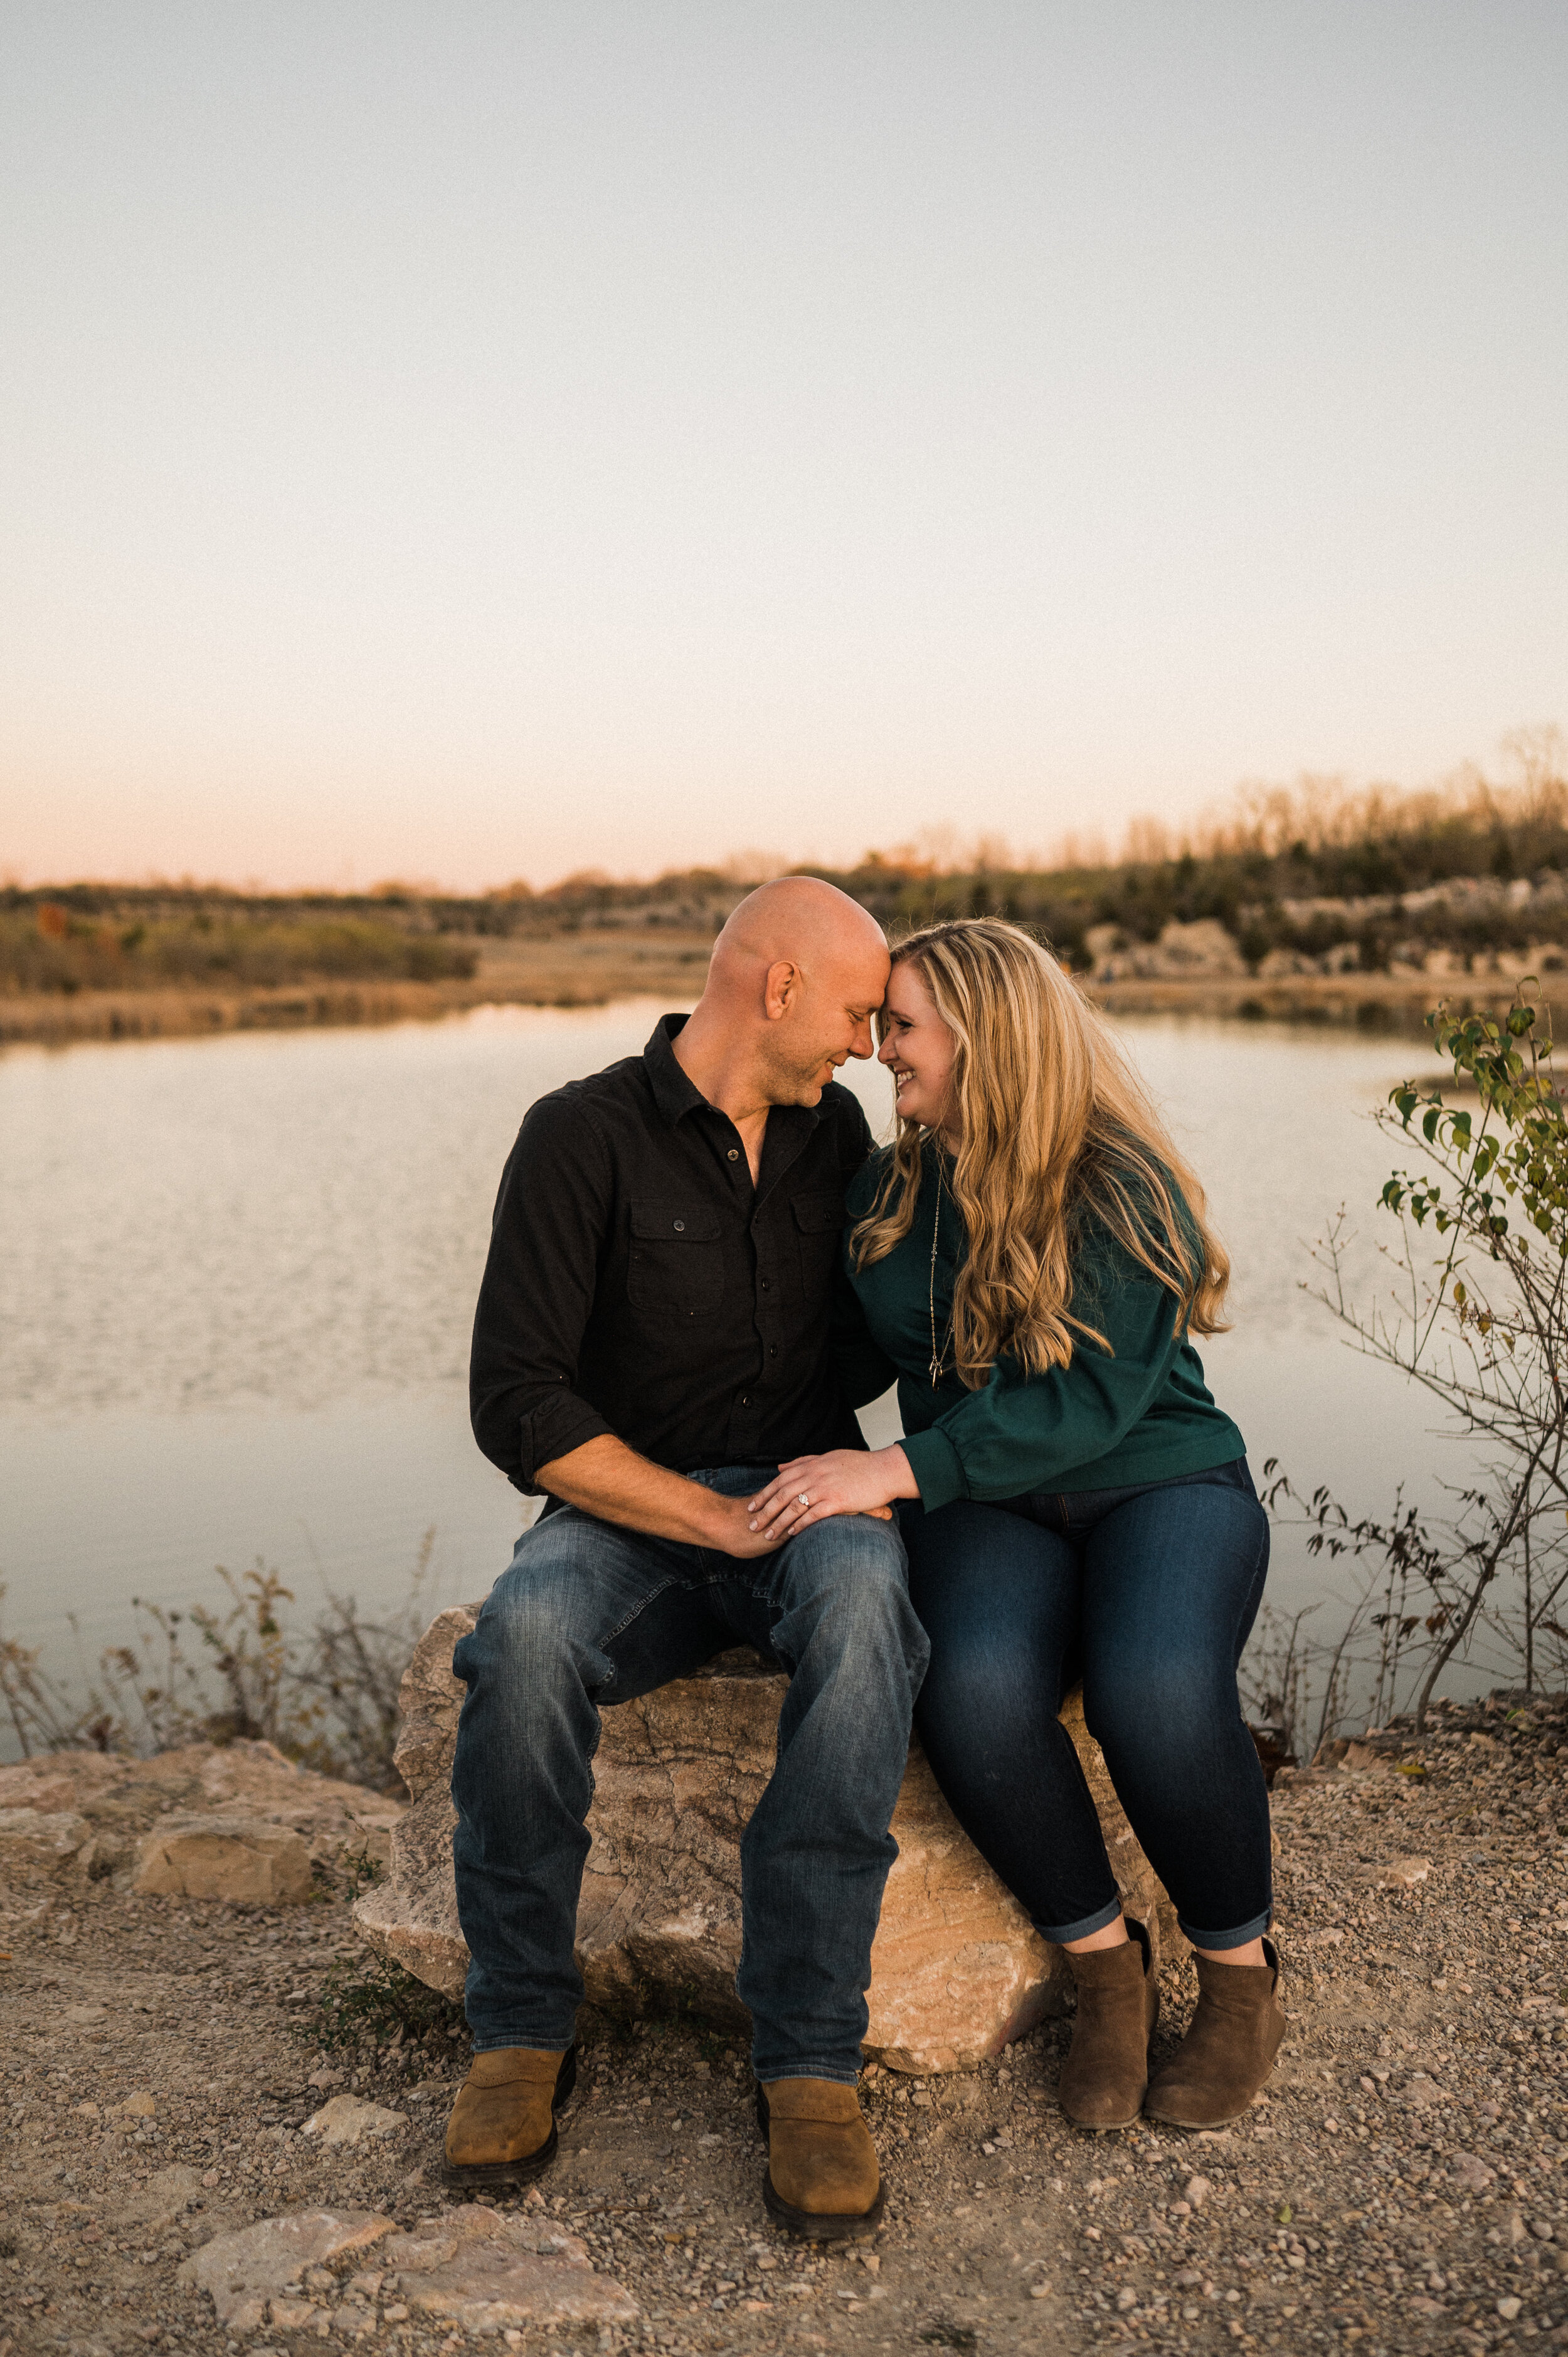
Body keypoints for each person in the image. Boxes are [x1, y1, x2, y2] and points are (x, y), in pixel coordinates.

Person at [448, 876, 928, 2237]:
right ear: (775, 986)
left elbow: (894, 1328)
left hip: (804, 1492)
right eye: (848, 1011)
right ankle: (522, 2028)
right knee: (523, 1640)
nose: (858, 1043)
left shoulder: (840, 1137)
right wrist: (705, 1517)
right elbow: (519, 1401)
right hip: (629, 1515)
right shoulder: (576, 1136)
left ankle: (808, 2060)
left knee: (864, 1612)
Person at [748, 917, 1285, 2133]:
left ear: (986, 1035)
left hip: (1159, 1483)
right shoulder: (888, 1187)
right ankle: (1104, 1965)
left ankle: (1241, 1981)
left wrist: (888, 1470)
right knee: (973, 1690)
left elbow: (1089, 1404)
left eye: (903, 1026)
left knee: (1152, 1686)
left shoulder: (1118, 1177)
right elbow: (829, 1350)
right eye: (881, 1024)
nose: (880, 1049)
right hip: (987, 1503)